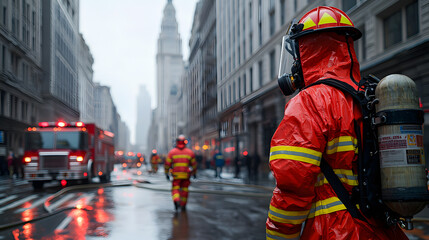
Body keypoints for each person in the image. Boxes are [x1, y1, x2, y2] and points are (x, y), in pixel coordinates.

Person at [266, 6, 407, 240]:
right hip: (383, 229)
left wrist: (278, 236)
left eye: (298, 53)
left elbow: (292, 185)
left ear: (309, 49)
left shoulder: (310, 101)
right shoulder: (368, 96)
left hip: (335, 231)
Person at [165, 135, 197, 211]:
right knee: (185, 190)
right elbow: (194, 165)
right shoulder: (190, 152)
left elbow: (167, 164)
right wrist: (194, 173)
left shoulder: (172, 152)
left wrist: (166, 173)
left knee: (175, 189)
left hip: (176, 175)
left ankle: (176, 200)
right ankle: (183, 205)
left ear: (177, 142)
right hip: (186, 175)